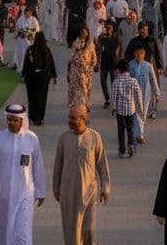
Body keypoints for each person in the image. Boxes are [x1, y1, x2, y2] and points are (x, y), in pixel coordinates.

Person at [0, 104, 46, 245]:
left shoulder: (32, 139)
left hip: (25, 193)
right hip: (2, 193)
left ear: (22, 120)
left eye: (15, 120)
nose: (11, 123)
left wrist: (40, 191)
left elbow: (37, 165)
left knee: (23, 233)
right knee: (3, 230)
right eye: (9, 120)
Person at [52, 104, 110, 245]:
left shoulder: (94, 137)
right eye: (69, 117)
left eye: (73, 118)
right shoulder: (63, 139)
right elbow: (58, 165)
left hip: (88, 193)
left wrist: (105, 187)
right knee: (71, 230)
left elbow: (102, 164)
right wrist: (56, 187)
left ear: (83, 118)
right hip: (68, 193)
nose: (69, 121)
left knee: (88, 230)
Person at [21, 31, 58, 126]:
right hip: (43, 78)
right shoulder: (46, 50)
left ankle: (33, 116)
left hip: (31, 77)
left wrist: (23, 74)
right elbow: (51, 64)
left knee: (32, 97)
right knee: (42, 97)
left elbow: (26, 63)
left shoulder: (30, 49)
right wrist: (53, 75)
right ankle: (40, 117)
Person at [111, 59, 146, 157]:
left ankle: (122, 150)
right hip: (131, 109)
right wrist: (140, 109)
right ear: (128, 69)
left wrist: (113, 108)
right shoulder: (133, 81)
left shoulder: (116, 81)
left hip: (120, 111)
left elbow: (113, 96)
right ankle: (130, 144)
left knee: (121, 130)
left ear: (119, 70)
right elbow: (138, 96)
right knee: (130, 128)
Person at [66, 26, 98, 111]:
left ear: (87, 33)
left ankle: (84, 111)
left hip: (86, 72)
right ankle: (75, 111)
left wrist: (91, 67)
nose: (83, 34)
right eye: (82, 32)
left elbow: (94, 58)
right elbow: (71, 58)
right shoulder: (75, 43)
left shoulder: (90, 44)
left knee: (84, 91)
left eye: (85, 32)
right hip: (75, 70)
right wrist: (68, 72)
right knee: (75, 91)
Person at [96, 22, 121, 109]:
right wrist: (96, 63)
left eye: (110, 28)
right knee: (103, 81)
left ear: (113, 29)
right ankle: (107, 99)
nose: (108, 29)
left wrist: (118, 65)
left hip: (113, 64)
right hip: (103, 63)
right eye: (107, 28)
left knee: (113, 82)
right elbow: (98, 50)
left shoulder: (116, 39)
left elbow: (118, 52)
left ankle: (114, 100)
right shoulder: (102, 38)